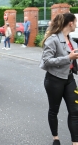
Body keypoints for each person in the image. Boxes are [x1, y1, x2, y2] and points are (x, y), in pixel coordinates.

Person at [40, 13, 78, 145]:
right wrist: (69, 58)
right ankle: (55, 138)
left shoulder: (72, 40)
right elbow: (46, 60)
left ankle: (75, 142)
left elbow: (73, 58)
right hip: (54, 80)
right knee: (54, 110)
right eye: (76, 21)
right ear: (70, 23)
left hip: (69, 78)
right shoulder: (53, 39)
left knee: (75, 110)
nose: (76, 24)